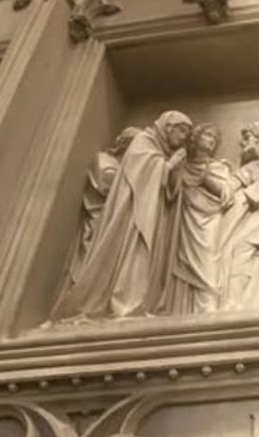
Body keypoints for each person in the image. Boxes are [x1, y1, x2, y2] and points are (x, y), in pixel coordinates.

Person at [53, 110, 192, 319]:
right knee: (134, 255)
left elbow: (168, 190)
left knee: (144, 258)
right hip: (134, 217)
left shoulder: (160, 150)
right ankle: (126, 304)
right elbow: (142, 175)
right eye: (181, 131)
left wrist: (174, 170)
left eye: (187, 135)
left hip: (151, 214)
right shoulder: (143, 141)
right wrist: (170, 165)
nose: (183, 138)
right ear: (168, 127)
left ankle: (140, 303)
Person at [160, 123, 238, 314]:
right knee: (182, 262)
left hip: (210, 220)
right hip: (185, 220)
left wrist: (206, 178)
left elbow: (227, 194)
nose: (212, 140)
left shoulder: (218, 167)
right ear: (196, 138)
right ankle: (183, 311)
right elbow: (170, 192)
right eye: (208, 135)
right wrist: (173, 169)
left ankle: (208, 308)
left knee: (208, 263)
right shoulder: (183, 166)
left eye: (215, 138)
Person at [68, 127, 140, 284]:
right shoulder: (104, 160)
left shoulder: (125, 169)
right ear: (125, 145)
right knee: (94, 260)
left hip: (115, 223)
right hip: (99, 221)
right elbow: (108, 183)